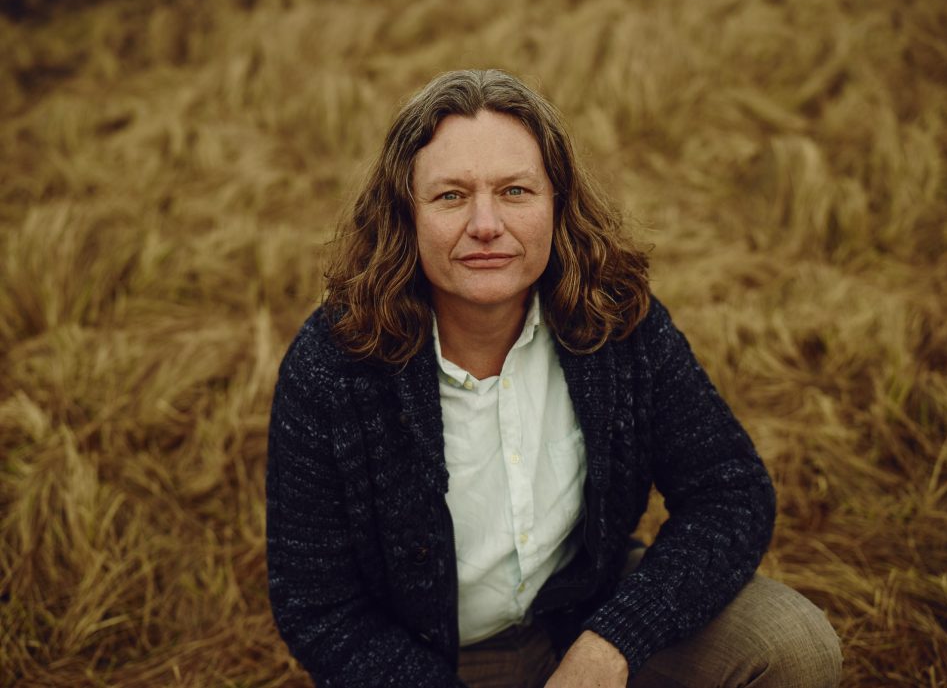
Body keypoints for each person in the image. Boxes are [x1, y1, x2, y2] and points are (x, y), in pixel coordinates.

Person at [266, 69, 842, 688]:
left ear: (557, 203)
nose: (485, 224)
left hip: (582, 619)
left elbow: (731, 491)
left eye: (515, 191)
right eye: (451, 196)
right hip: (424, 659)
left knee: (793, 645)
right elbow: (318, 607)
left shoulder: (614, 321)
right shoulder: (334, 364)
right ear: (404, 216)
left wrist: (615, 640)